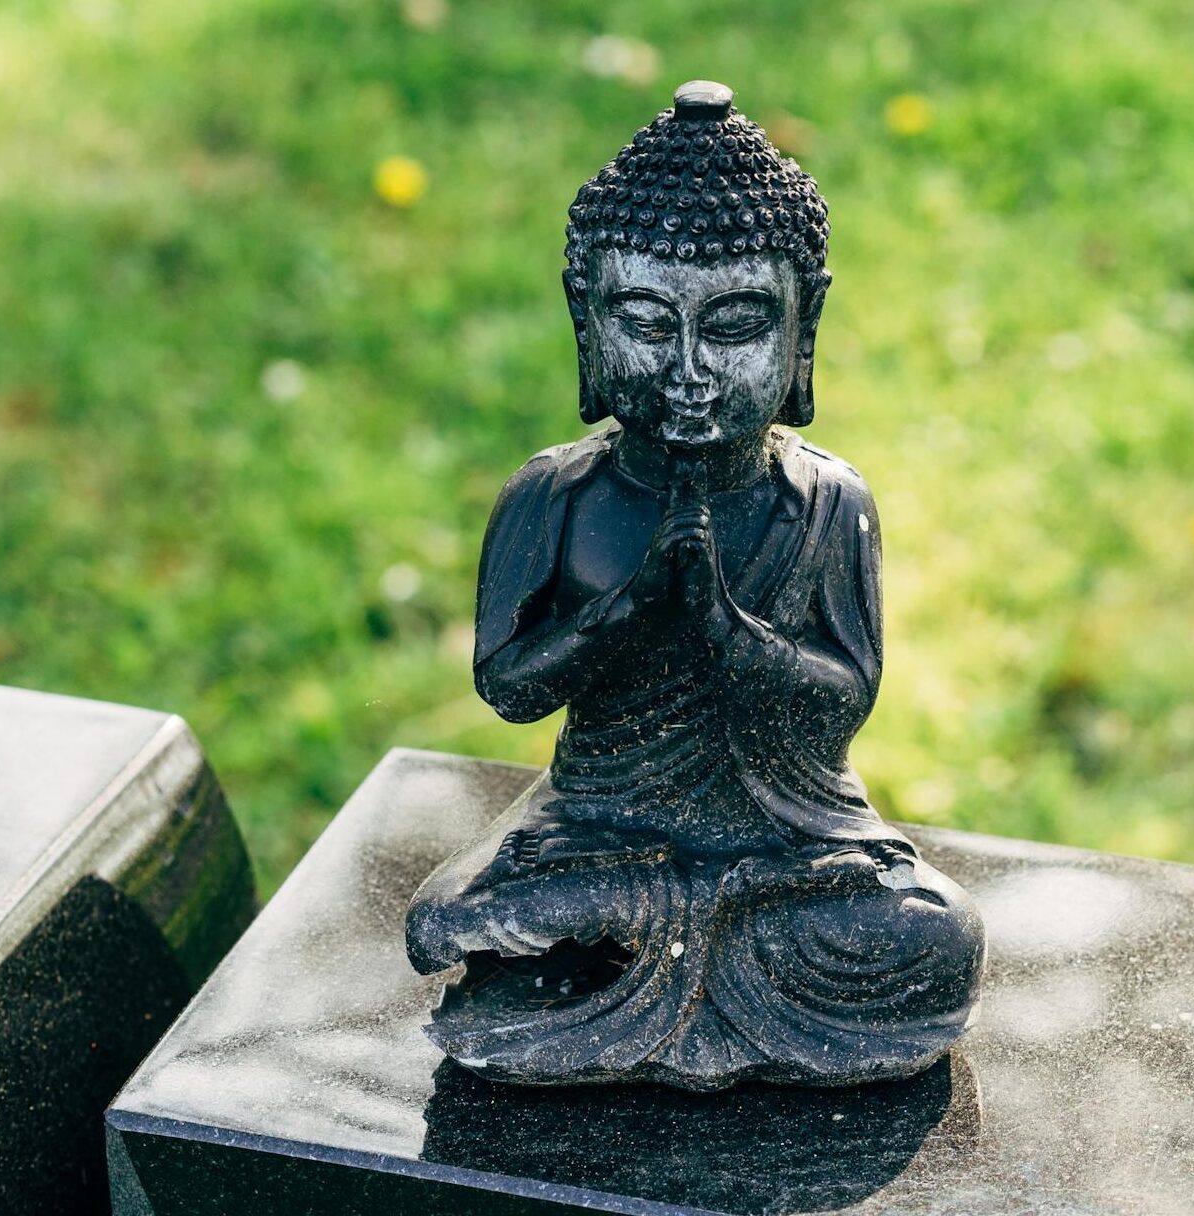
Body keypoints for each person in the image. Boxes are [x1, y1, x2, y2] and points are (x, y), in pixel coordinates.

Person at [406, 82, 984, 1090]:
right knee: (448, 922)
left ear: (802, 331)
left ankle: (642, 962)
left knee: (935, 934)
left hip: (784, 843)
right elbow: (509, 687)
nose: (687, 372)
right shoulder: (554, 495)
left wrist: (722, 625)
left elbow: (842, 700)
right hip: (597, 831)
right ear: (585, 323)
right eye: (644, 322)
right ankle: (662, 942)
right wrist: (624, 614)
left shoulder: (827, 504)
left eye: (733, 327)